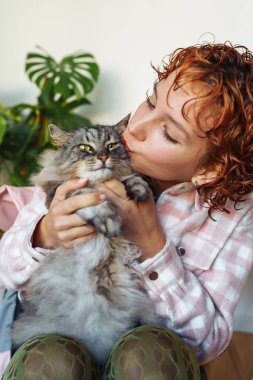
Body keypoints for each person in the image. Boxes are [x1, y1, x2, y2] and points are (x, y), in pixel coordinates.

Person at [0, 41, 253, 380]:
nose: (135, 127)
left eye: (168, 133)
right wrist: (45, 232)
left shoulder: (234, 217)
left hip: (147, 351)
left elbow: (206, 341)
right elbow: (7, 271)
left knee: (147, 355)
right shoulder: (87, 165)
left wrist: (151, 241)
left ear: (213, 169)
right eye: (150, 100)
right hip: (58, 331)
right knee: (52, 360)